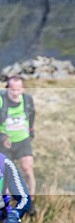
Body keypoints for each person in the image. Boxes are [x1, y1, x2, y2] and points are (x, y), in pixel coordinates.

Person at [0, 76, 36, 210]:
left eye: (18, 89)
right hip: (3, 143)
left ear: (22, 89)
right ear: (7, 88)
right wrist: (2, 137)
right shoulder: (1, 100)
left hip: (22, 140)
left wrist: (31, 132)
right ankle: (6, 205)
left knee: (27, 169)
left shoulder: (27, 100)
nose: (15, 92)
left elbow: (32, 114)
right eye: (12, 89)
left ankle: (30, 201)